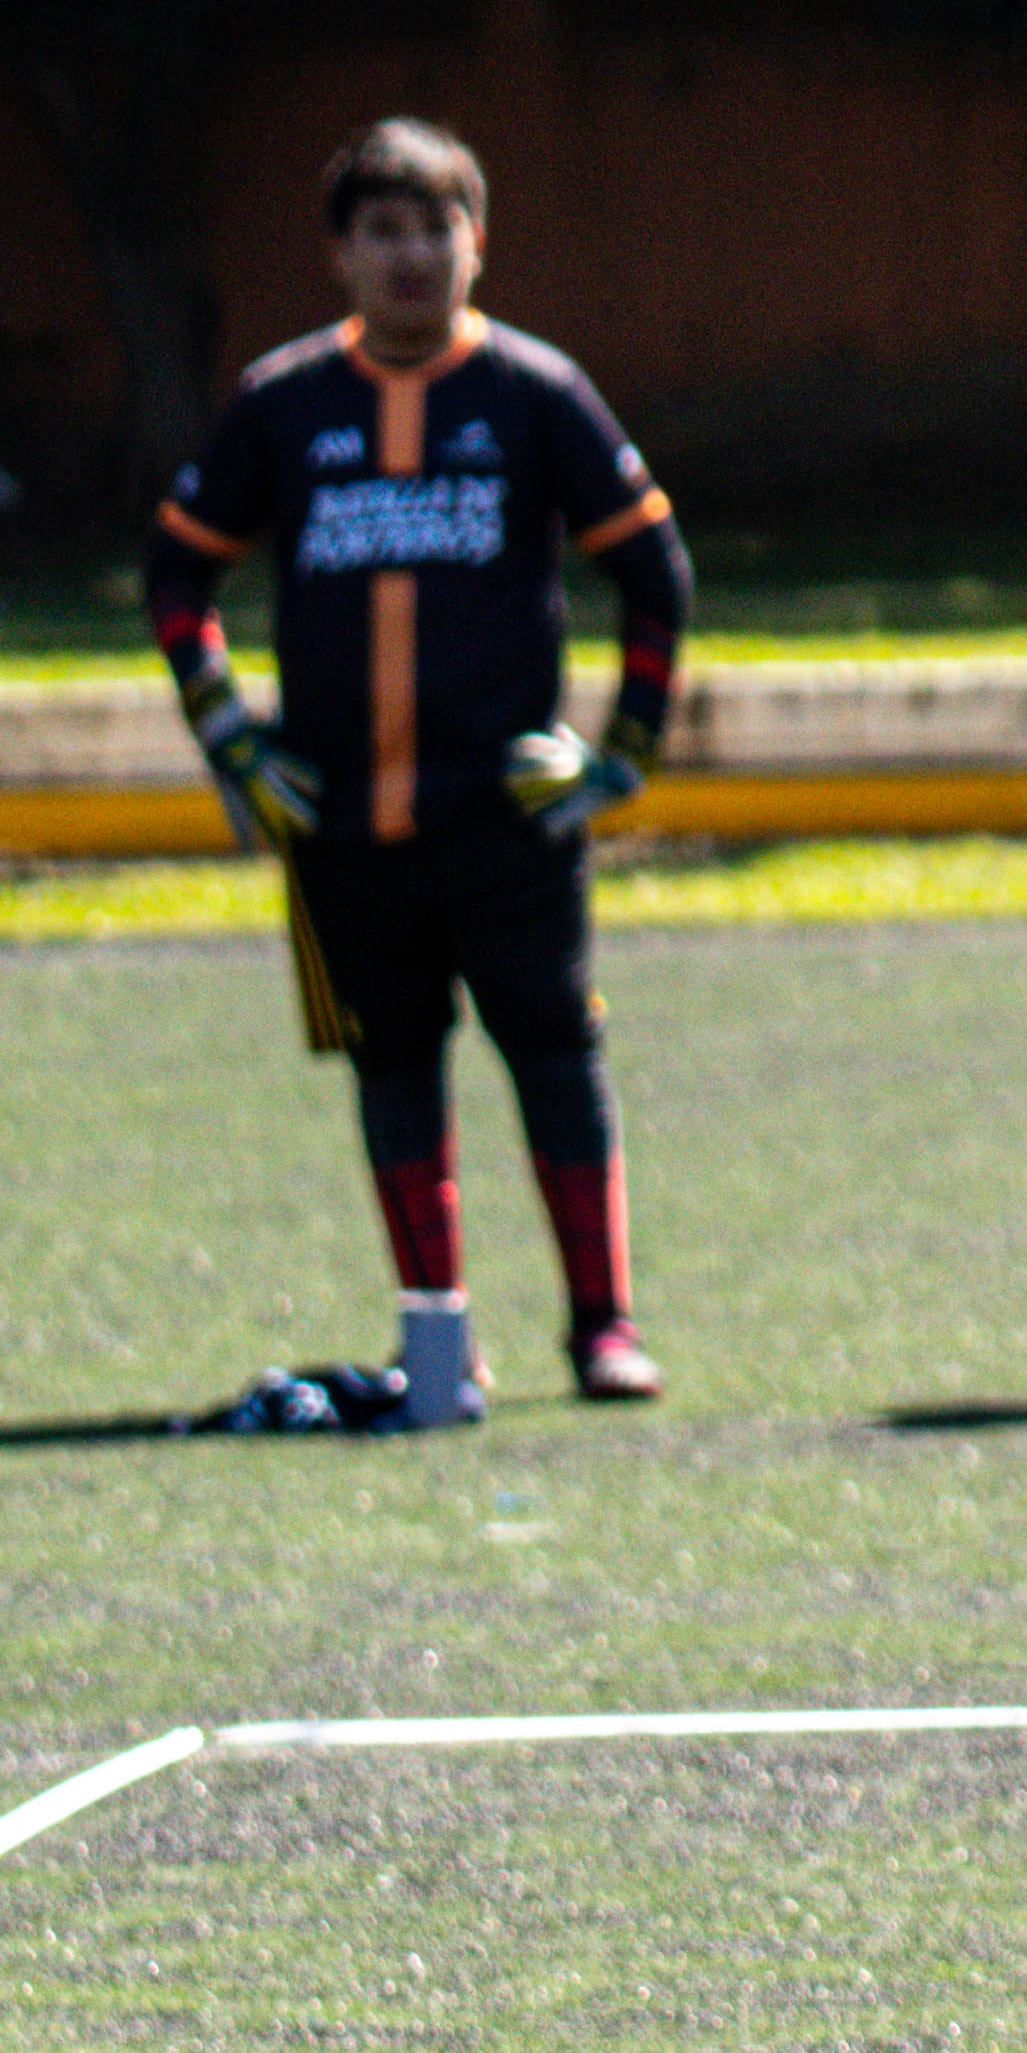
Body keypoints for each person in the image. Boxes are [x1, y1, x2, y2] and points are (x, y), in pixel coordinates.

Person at [148, 117, 685, 1425]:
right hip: (341, 829)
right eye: (382, 231)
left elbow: (654, 574)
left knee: (555, 1057)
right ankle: (442, 1344)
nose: (411, 256)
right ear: (338, 254)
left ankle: (603, 1328)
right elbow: (179, 573)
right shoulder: (283, 404)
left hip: (504, 828)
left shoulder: (534, 394)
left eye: (435, 228)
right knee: (396, 1072)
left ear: (477, 244)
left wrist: (620, 757)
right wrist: (228, 733)